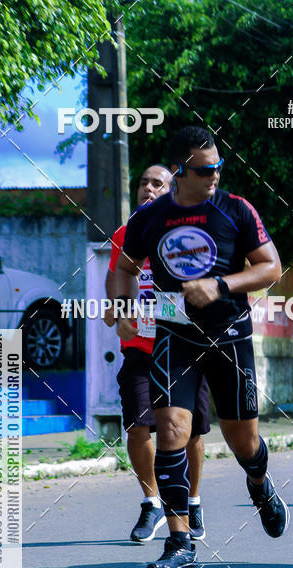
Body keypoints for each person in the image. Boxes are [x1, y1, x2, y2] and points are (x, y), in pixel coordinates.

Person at [111, 125, 289, 568]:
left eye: (218, 167)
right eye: (205, 170)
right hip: (176, 336)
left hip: (230, 336)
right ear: (179, 171)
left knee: (243, 441)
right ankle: (180, 541)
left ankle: (259, 483)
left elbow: (271, 267)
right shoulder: (150, 218)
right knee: (171, 430)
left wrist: (221, 285)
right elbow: (125, 268)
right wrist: (123, 306)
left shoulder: (235, 209)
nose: (215, 176)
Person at [105, 164, 211, 543]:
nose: (148, 188)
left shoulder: (190, 232)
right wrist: (118, 314)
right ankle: (152, 503)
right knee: (137, 427)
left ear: (172, 191)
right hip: (140, 348)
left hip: (184, 347)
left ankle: (192, 503)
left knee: (191, 432)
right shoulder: (124, 235)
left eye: (157, 183)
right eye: (143, 182)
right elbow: (114, 291)